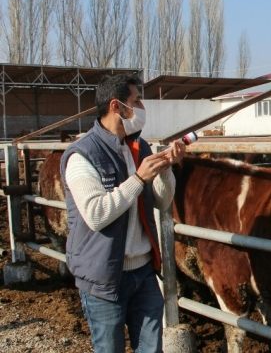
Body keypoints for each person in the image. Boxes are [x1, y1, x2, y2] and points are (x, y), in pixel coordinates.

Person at [60, 74, 186, 352]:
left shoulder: (139, 147)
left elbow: (161, 202)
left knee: (151, 348)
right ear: (116, 106)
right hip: (104, 277)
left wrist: (165, 170)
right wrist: (139, 179)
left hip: (143, 271)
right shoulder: (82, 155)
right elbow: (96, 214)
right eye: (136, 100)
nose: (141, 107)